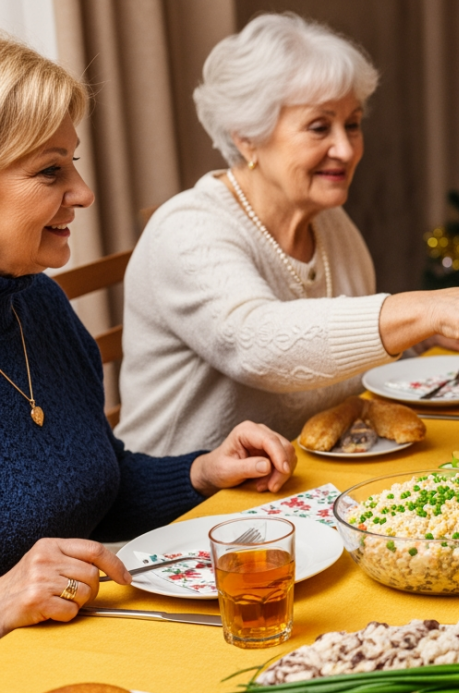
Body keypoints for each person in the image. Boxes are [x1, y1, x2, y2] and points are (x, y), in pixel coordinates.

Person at [116, 14, 459, 456]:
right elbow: (260, 347)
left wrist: (425, 335)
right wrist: (427, 308)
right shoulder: (188, 229)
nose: (345, 149)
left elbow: (328, 363)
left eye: (353, 124)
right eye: (320, 127)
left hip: (298, 478)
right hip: (185, 504)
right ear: (247, 137)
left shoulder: (329, 224)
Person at [0, 38, 297, 637]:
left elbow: (95, 485)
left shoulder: (37, 303)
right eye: (51, 170)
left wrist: (202, 473)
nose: (83, 192)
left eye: (74, 163)